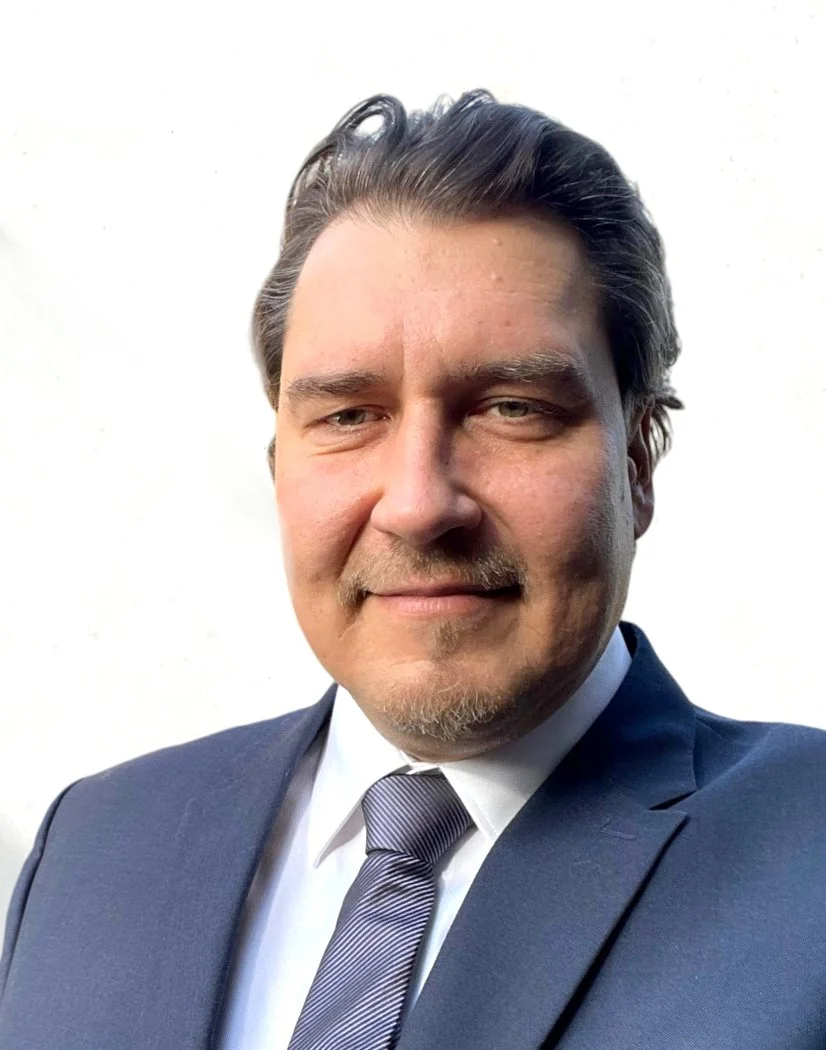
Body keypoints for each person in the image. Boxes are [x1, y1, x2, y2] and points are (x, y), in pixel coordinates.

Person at [1, 90, 824, 1050]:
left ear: (638, 463)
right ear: (280, 470)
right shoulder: (93, 849)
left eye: (512, 407)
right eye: (348, 416)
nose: (419, 504)